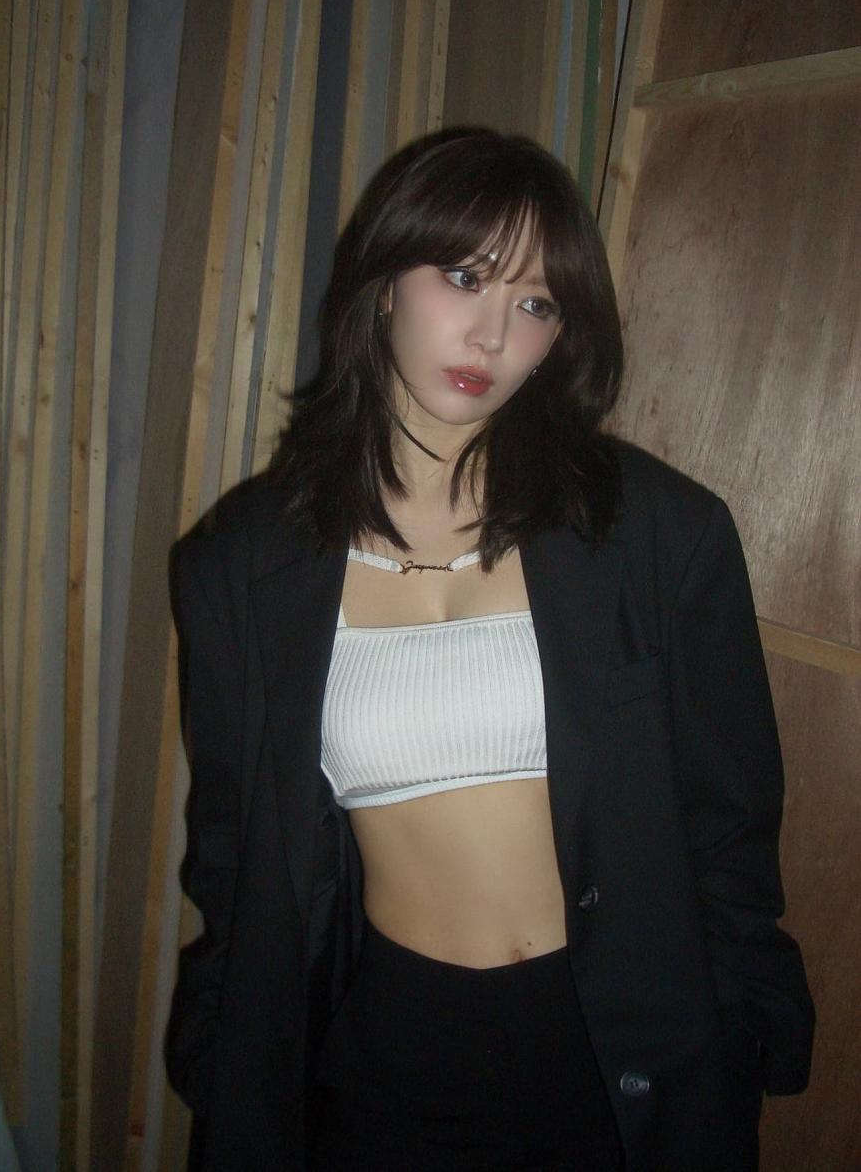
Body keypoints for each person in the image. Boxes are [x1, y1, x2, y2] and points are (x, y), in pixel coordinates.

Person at [165, 130, 813, 1171]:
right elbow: (235, 849)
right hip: (390, 1057)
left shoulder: (655, 531)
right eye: (464, 277)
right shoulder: (242, 564)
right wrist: (222, 1047)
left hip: (618, 1054)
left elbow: (729, 824)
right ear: (384, 281)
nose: (492, 333)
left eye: (536, 302)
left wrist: (738, 1033)